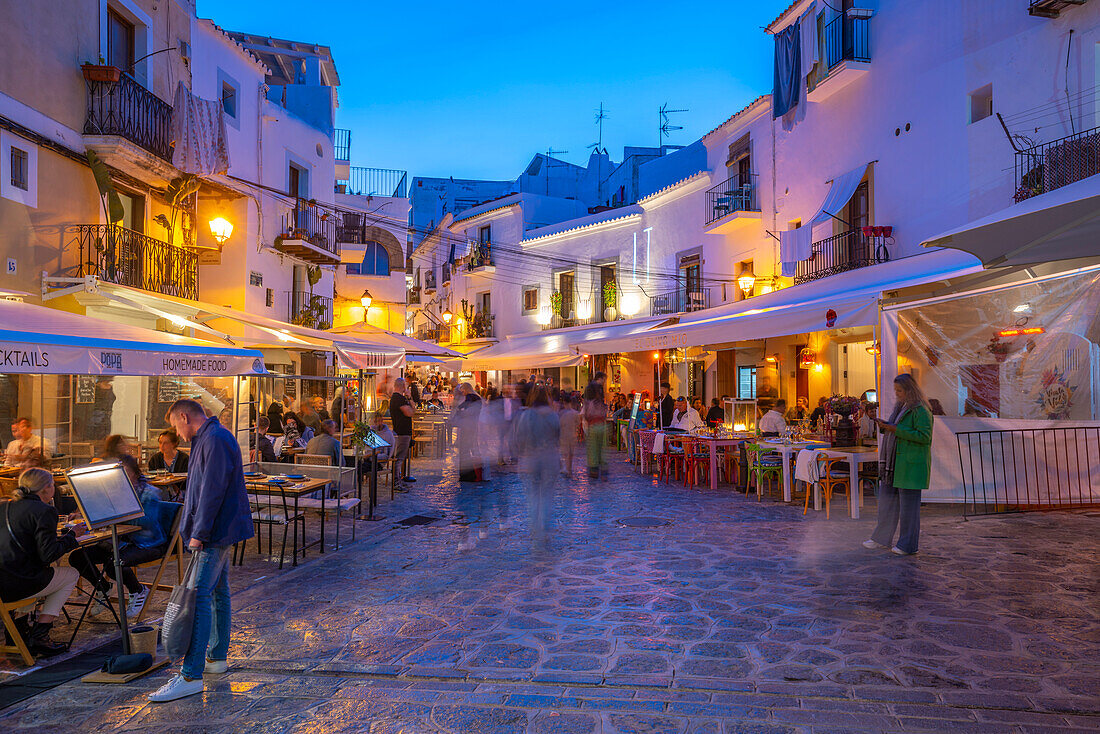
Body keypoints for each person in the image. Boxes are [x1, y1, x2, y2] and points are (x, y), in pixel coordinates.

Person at [149, 399, 253, 703]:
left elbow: (211, 491)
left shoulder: (214, 440)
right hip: (217, 530)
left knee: (198, 597)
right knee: (217, 592)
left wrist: (199, 533)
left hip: (213, 533)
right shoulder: (210, 438)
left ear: (185, 416)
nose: (176, 433)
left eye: (175, 425)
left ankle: (191, 675)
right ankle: (216, 657)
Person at [69, 454, 167, 618]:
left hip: (147, 542)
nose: (120, 478)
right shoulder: (114, 492)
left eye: (124, 473)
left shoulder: (150, 493)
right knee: (78, 557)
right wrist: (85, 516)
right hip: (118, 541)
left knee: (114, 562)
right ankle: (103, 588)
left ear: (135, 473)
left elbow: (146, 522)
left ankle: (138, 590)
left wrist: (111, 516)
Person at [0, 468, 82, 656]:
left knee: (36, 570)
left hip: (4, 580)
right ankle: (41, 633)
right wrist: (72, 536)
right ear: (46, 488)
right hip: (20, 582)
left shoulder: (4, 506)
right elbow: (49, 554)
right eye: (53, 484)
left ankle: (18, 632)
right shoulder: (45, 511)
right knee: (71, 575)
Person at [864, 374, 933, 557]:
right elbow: (897, 428)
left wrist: (895, 429)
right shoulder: (901, 407)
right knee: (887, 504)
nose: (897, 394)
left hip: (910, 466)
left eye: (899, 391)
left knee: (909, 509)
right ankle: (881, 538)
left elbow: (924, 437)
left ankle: (908, 545)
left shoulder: (921, 410)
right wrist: (887, 426)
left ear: (910, 390)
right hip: (893, 465)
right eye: (895, 391)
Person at [513, 386, 560, 550]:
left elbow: (519, 438)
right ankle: (545, 530)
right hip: (549, 459)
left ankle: (535, 531)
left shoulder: (526, 415)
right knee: (546, 495)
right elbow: (557, 437)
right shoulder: (553, 415)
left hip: (531, 459)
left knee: (533, 496)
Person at [582, 372, 608, 480]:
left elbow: (586, 405)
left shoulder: (589, 388)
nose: (604, 382)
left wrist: (585, 419)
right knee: (602, 447)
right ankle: (604, 470)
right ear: (600, 378)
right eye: (604, 379)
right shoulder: (599, 389)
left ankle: (594, 470)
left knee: (593, 447)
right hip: (601, 422)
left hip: (592, 422)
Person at [389, 378, 415, 484]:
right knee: (399, 458)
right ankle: (396, 481)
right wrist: (409, 398)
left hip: (402, 431)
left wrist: (409, 398)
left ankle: (398, 479)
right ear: (403, 386)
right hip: (402, 432)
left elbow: (413, 410)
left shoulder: (399, 398)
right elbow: (410, 412)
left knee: (400, 458)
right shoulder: (398, 398)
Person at [559, 394, 580, 477]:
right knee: (570, 454)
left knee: (566, 453)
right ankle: (569, 469)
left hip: (564, 435)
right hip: (572, 434)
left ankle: (567, 469)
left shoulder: (561, 413)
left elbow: (559, 425)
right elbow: (578, 423)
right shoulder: (575, 413)